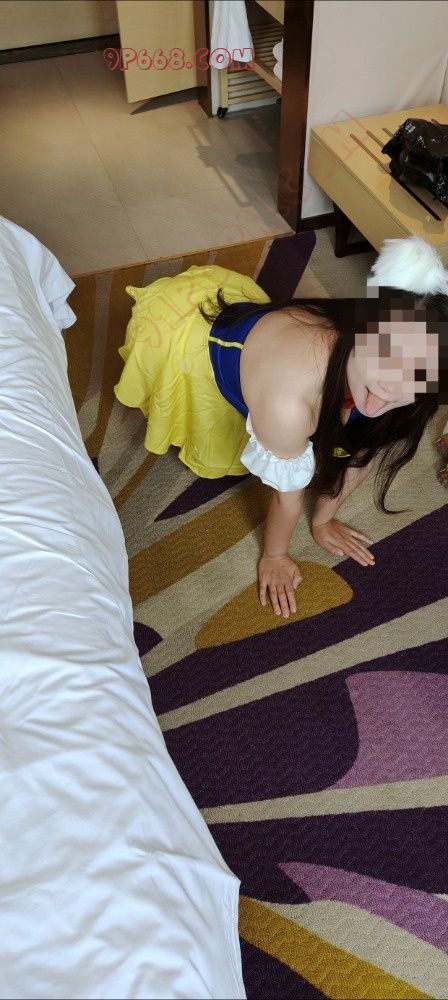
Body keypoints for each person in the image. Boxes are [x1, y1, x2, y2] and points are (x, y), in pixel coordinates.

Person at [114, 235, 445, 618]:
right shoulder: (289, 406)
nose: (393, 386)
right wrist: (275, 555)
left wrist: (322, 520)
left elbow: (366, 446)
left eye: (418, 373)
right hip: (197, 344)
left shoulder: (395, 390)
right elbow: (286, 498)